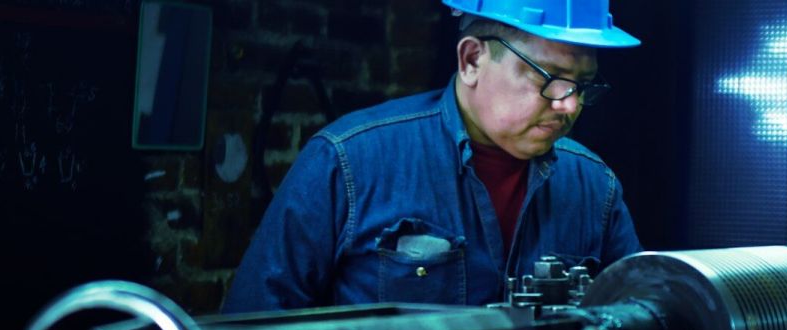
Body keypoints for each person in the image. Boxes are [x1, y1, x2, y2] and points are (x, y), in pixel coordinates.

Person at [222, 0, 643, 312]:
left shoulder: (594, 188)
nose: (570, 105)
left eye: (582, 85)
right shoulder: (349, 162)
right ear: (472, 59)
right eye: (551, 78)